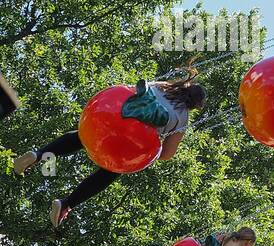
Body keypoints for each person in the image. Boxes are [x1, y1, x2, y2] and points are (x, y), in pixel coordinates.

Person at [13, 77, 205, 227]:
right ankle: (67, 204)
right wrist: (156, 140)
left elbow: (129, 90)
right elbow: (167, 154)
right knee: (112, 171)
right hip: (130, 142)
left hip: (113, 116)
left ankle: (38, 155)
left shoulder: (164, 86)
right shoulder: (183, 118)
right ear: (194, 105)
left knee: (81, 136)